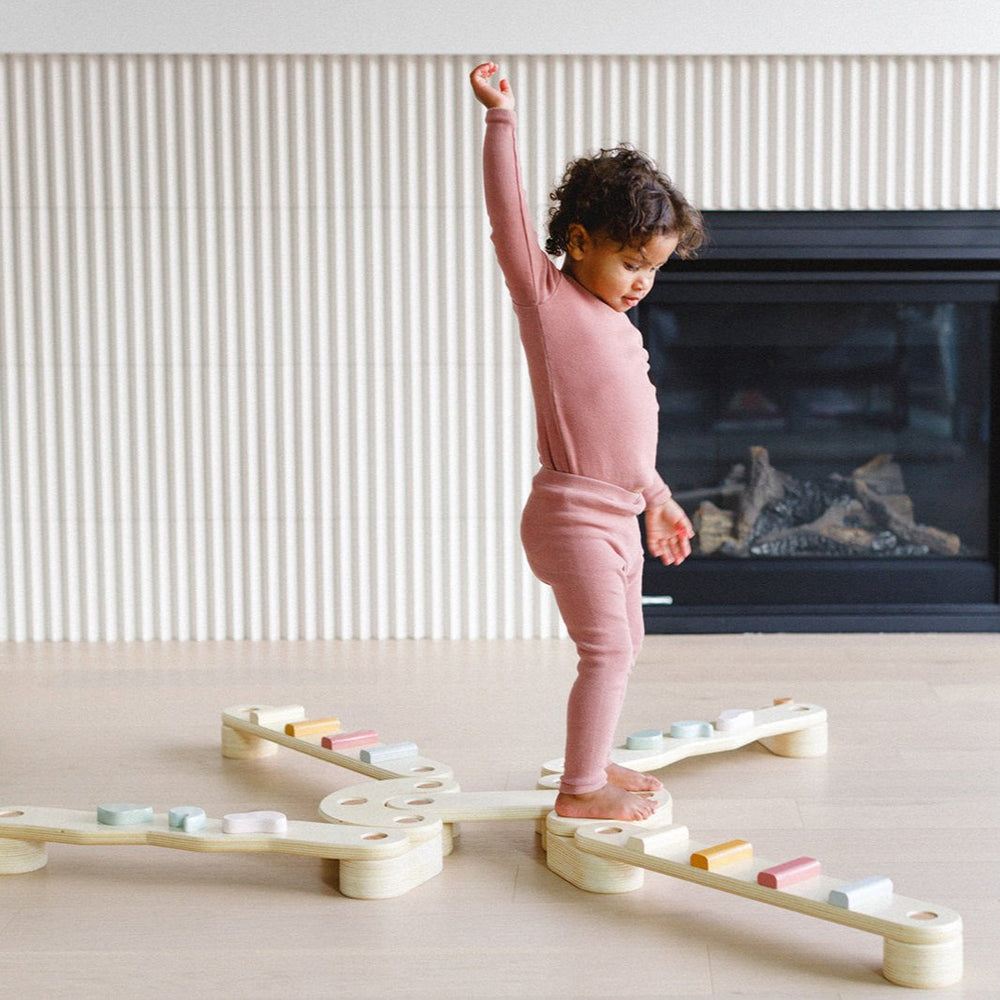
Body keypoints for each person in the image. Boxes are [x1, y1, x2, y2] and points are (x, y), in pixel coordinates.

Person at [469, 62, 705, 821]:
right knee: (604, 653)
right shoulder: (549, 301)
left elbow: (630, 436)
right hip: (570, 517)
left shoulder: (622, 329)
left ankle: (592, 761)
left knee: (626, 648)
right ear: (579, 239)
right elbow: (507, 220)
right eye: (631, 262)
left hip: (619, 515)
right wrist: (500, 120)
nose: (642, 282)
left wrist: (660, 501)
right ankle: (580, 793)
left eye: (654, 269)